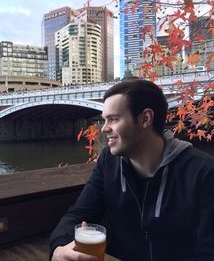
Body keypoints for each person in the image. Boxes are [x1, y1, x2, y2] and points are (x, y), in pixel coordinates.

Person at [50, 79, 214, 261]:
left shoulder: (203, 172)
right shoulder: (109, 162)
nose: (104, 128)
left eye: (113, 119)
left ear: (145, 119)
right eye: (104, 120)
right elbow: (78, 214)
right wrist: (59, 249)